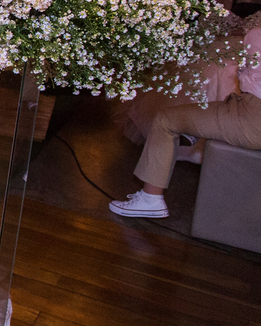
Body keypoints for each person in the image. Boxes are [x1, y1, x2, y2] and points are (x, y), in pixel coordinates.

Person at [110, 24, 261, 219]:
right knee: (220, 105)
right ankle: (195, 130)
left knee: (166, 119)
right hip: (246, 112)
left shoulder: (256, 36)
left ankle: (150, 200)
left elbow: (246, 81)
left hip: (253, 119)